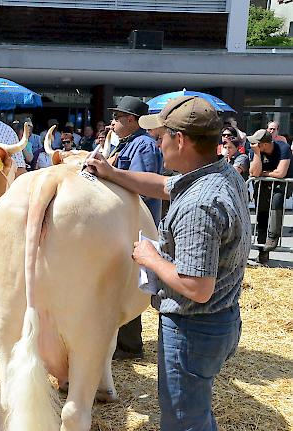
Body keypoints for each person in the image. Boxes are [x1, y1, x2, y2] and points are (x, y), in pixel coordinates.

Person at [86, 95, 250, 431]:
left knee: (183, 420)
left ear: (181, 140)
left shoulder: (199, 205)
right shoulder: (219, 174)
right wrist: (112, 172)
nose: (156, 144)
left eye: (161, 137)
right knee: (196, 408)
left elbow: (196, 286)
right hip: (221, 319)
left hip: (193, 326)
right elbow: (163, 186)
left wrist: (151, 257)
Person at [107, 96, 163, 361]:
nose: (113, 122)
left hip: (135, 223)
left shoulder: (143, 146)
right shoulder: (128, 143)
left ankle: (130, 346)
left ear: (131, 120)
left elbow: (143, 188)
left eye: (118, 117)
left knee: (131, 281)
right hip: (124, 221)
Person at [248, 129, 293, 264]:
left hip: (282, 184)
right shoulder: (255, 150)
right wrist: (256, 154)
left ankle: (273, 237)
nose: (253, 145)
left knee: (277, 200)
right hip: (263, 185)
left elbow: (281, 173)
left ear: (265, 144)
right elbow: (255, 173)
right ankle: (263, 250)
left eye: (257, 143)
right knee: (262, 214)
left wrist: (265, 173)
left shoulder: (283, 147)